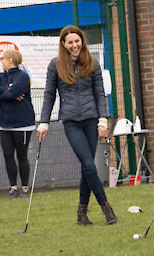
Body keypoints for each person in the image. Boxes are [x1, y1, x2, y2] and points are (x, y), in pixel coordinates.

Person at [37, 25, 118, 226]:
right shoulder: (55, 65)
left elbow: (100, 94)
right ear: (64, 45)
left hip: (91, 121)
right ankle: (107, 209)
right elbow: (49, 95)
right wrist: (44, 122)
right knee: (90, 166)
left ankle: (81, 215)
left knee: (86, 169)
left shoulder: (93, 64)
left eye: (77, 41)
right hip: (71, 122)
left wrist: (102, 121)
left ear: (82, 41)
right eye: (70, 42)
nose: (75, 45)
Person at [0, 50, 36, 199]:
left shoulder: (22, 76)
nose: (1, 61)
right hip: (5, 124)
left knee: (22, 156)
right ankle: (13, 189)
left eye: (3, 59)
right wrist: (8, 91)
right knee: (8, 155)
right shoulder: (1, 76)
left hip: (22, 124)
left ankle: (25, 188)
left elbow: (8, 95)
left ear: (11, 60)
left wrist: (6, 92)